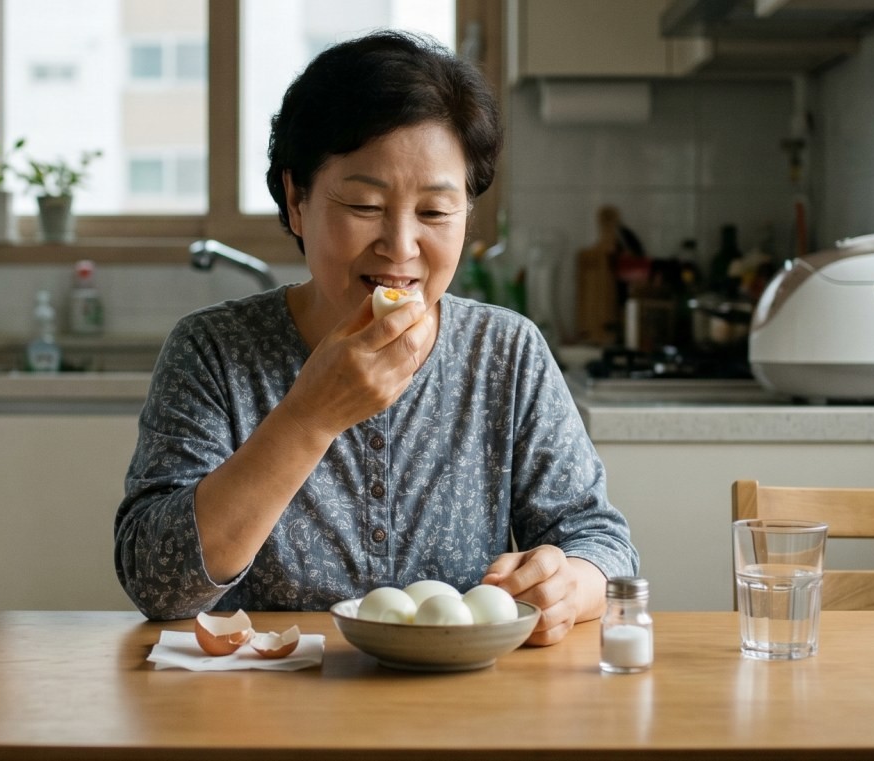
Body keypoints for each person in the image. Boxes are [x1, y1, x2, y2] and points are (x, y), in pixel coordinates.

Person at [114, 30, 637, 646]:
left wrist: (569, 582)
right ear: (297, 198)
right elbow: (158, 583)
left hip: (462, 710)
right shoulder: (213, 350)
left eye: (436, 212)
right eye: (365, 205)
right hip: (266, 713)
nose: (402, 246)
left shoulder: (507, 352)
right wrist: (310, 416)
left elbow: (602, 544)